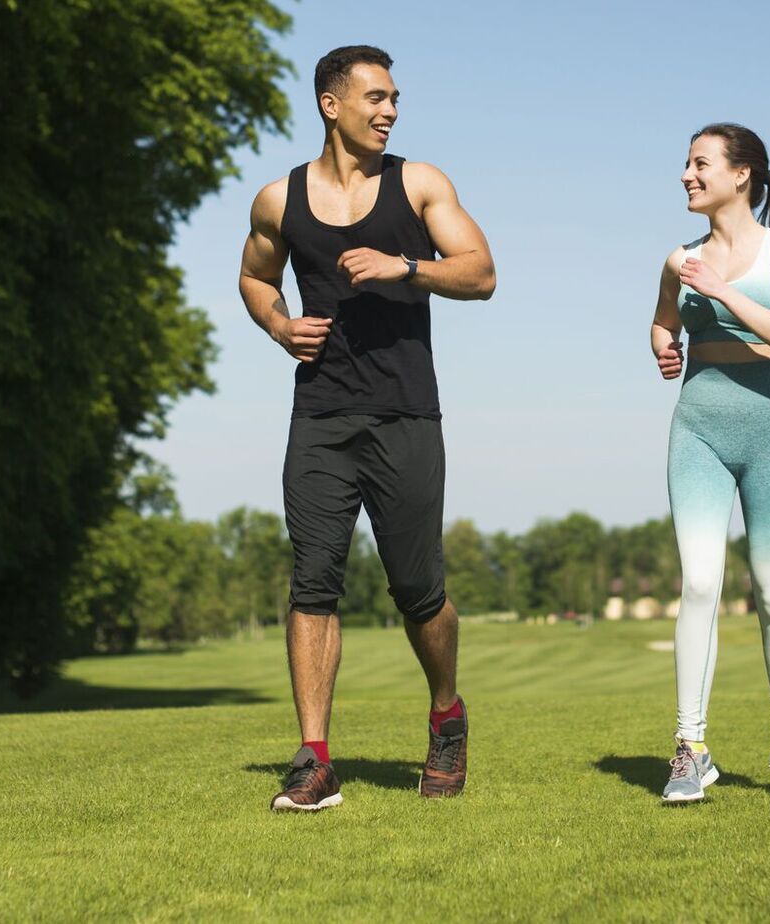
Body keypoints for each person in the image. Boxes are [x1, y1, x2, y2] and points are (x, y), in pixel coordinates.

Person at [237, 45, 497, 812]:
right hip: (319, 414)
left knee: (419, 590)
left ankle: (446, 715)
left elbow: (481, 272)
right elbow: (254, 276)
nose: (388, 111)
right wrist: (281, 326)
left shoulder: (418, 184)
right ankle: (314, 758)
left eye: (394, 101)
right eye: (375, 98)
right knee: (312, 581)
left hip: (406, 413)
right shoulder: (277, 200)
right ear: (331, 104)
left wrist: (405, 268)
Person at [648, 122, 770, 803]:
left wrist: (722, 292)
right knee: (698, 586)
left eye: (700, 163)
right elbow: (663, 320)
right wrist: (663, 347)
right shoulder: (678, 258)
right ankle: (689, 748)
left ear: (741, 173)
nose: (687, 174)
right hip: (699, 435)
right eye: (685, 164)